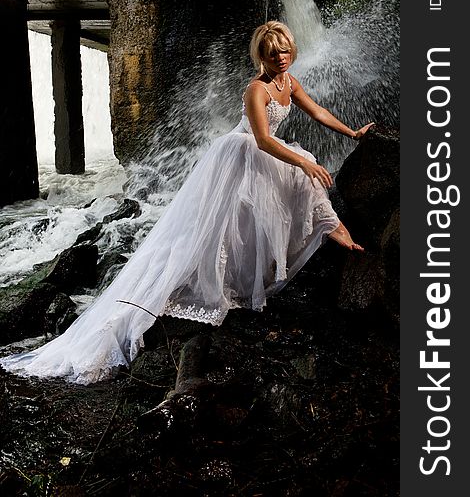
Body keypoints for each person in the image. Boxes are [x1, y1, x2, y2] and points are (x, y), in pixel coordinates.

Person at [0, 21, 374, 385]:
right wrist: (306, 162)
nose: (281, 57)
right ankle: (328, 229)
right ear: (261, 56)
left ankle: (322, 231)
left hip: (263, 155)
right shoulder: (256, 90)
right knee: (225, 221)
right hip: (241, 154)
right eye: (273, 52)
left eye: (285, 50)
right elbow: (262, 139)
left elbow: (318, 112)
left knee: (251, 216)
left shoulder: (289, 82)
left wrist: (352, 132)